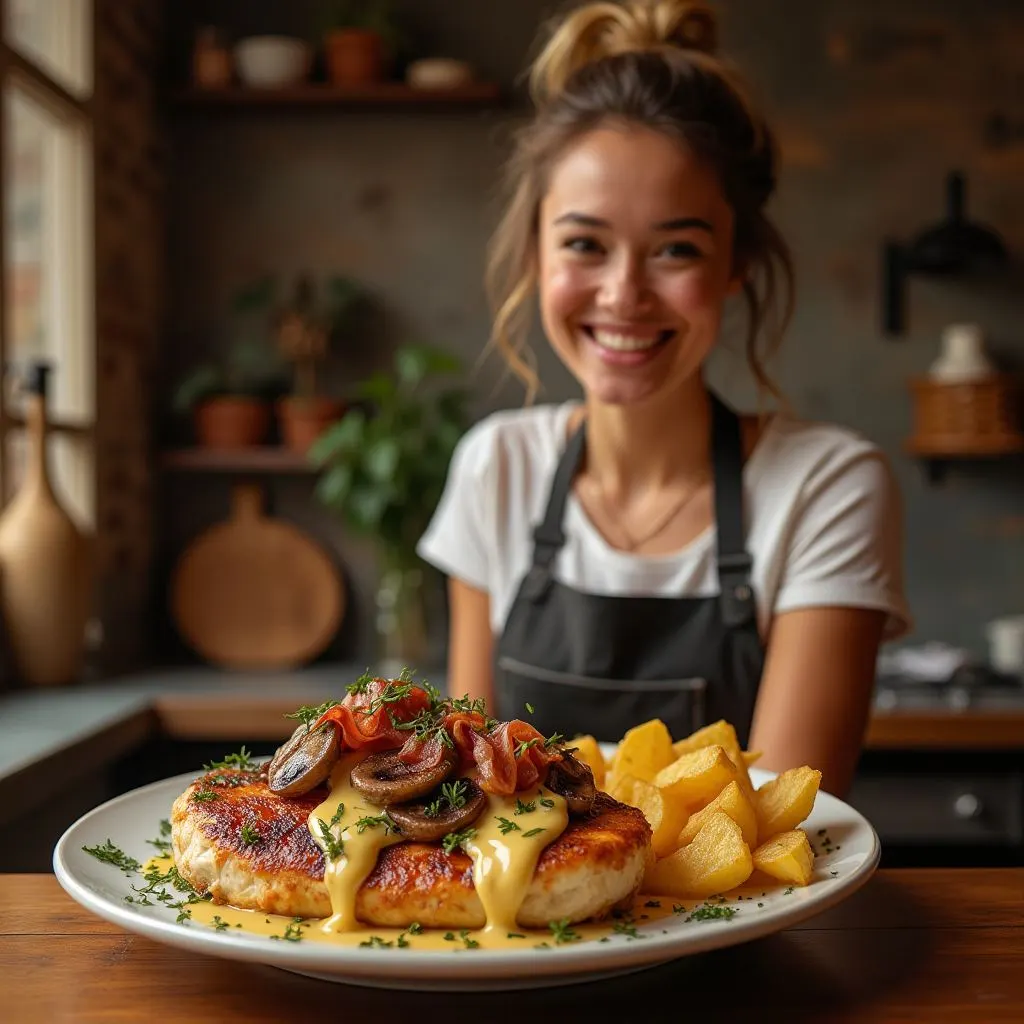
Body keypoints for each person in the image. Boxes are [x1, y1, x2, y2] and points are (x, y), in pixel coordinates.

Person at [417, 0, 911, 798]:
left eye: (676, 249)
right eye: (585, 243)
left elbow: (788, 819)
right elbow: (463, 788)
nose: (624, 294)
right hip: (516, 927)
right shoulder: (496, 466)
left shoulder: (825, 485)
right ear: (535, 252)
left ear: (737, 262)